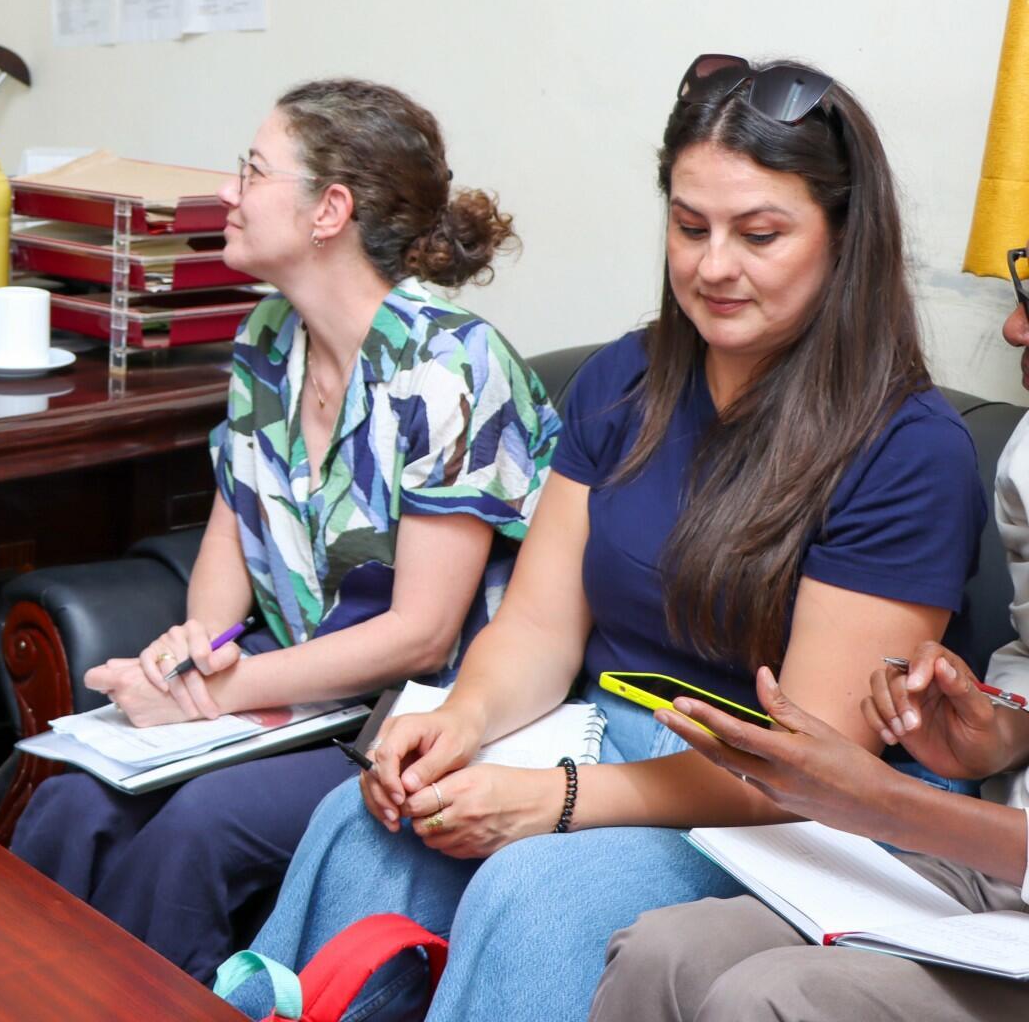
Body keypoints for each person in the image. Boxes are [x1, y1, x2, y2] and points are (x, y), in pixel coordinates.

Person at [221, 56, 988, 1022]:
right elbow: (540, 629)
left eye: (760, 234)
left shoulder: (909, 449)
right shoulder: (625, 382)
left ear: (843, 238)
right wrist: (459, 723)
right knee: (363, 826)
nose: (713, 266)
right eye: (689, 225)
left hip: (768, 808)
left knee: (533, 893)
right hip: (590, 738)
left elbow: (806, 768)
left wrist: (559, 802)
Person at [9, 78, 561, 979]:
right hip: (291, 696)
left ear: (329, 212)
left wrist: (220, 694)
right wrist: (192, 653)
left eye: (252, 172)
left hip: (409, 723)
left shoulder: (452, 364)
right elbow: (231, 534)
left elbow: (422, 633)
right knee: (72, 804)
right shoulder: (269, 336)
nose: (228, 193)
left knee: (197, 829)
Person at [588, 299, 1029, 1022]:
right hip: (991, 867)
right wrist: (1001, 730)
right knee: (664, 951)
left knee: (766, 998)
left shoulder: (907, 444)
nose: (1013, 327)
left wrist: (886, 806)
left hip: (1000, 858)